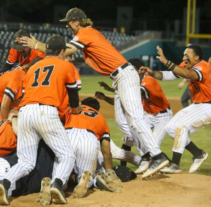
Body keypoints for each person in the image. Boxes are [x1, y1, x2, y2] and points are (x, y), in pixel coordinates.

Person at [21, 8, 169, 178]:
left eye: (69, 23)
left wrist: (37, 45)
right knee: (129, 122)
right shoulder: (87, 34)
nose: (68, 27)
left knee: (135, 119)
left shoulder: (86, 32)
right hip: (121, 75)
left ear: (76, 21)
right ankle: (150, 156)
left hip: (124, 74)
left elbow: (64, 51)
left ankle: (157, 156)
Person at [0, 35, 80, 205]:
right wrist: (75, 111)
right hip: (46, 111)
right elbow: (73, 94)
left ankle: (4, 182)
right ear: (62, 51)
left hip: (25, 112)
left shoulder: (33, 66)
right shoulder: (66, 65)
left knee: (26, 161)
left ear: (47, 50)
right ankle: (57, 184)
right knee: (67, 156)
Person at [139, 44, 211, 173]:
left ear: (196, 57)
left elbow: (188, 73)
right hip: (197, 105)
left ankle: (175, 164)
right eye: (183, 55)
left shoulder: (203, 66)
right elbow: (170, 75)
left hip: (208, 106)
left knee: (181, 127)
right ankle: (198, 154)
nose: (184, 58)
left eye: (186, 55)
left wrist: (166, 62)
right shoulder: (188, 65)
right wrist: (152, 72)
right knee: (170, 128)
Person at [95, 58, 173, 174]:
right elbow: (124, 101)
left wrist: (115, 89)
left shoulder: (148, 81)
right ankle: (146, 159)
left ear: (140, 71)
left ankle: (168, 164)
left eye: (131, 70)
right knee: (129, 134)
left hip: (162, 116)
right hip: (149, 115)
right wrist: (108, 94)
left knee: (151, 144)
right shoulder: (134, 83)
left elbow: (131, 94)